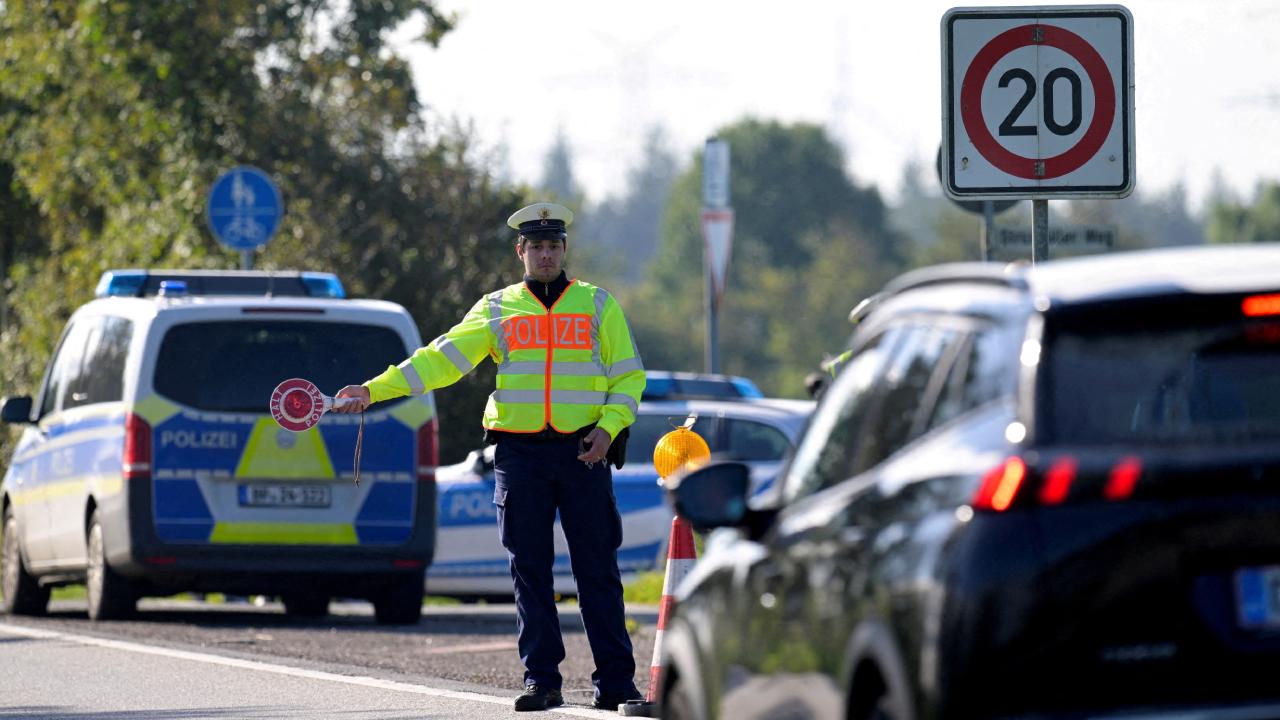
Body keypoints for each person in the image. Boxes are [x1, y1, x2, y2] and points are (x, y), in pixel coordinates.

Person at [333, 202, 645, 712]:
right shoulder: (497, 308)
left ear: (564, 249)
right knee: (529, 570)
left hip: (583, 451)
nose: (545, 255)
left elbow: (629, 377)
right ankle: (541, 681)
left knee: (597, 571)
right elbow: (441, 359)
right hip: (519, 452)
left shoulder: (597, 304)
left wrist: (609, 430)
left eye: (553, 246)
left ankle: (616, 684)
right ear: (520, 251)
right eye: (536, 247)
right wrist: (373, 390)